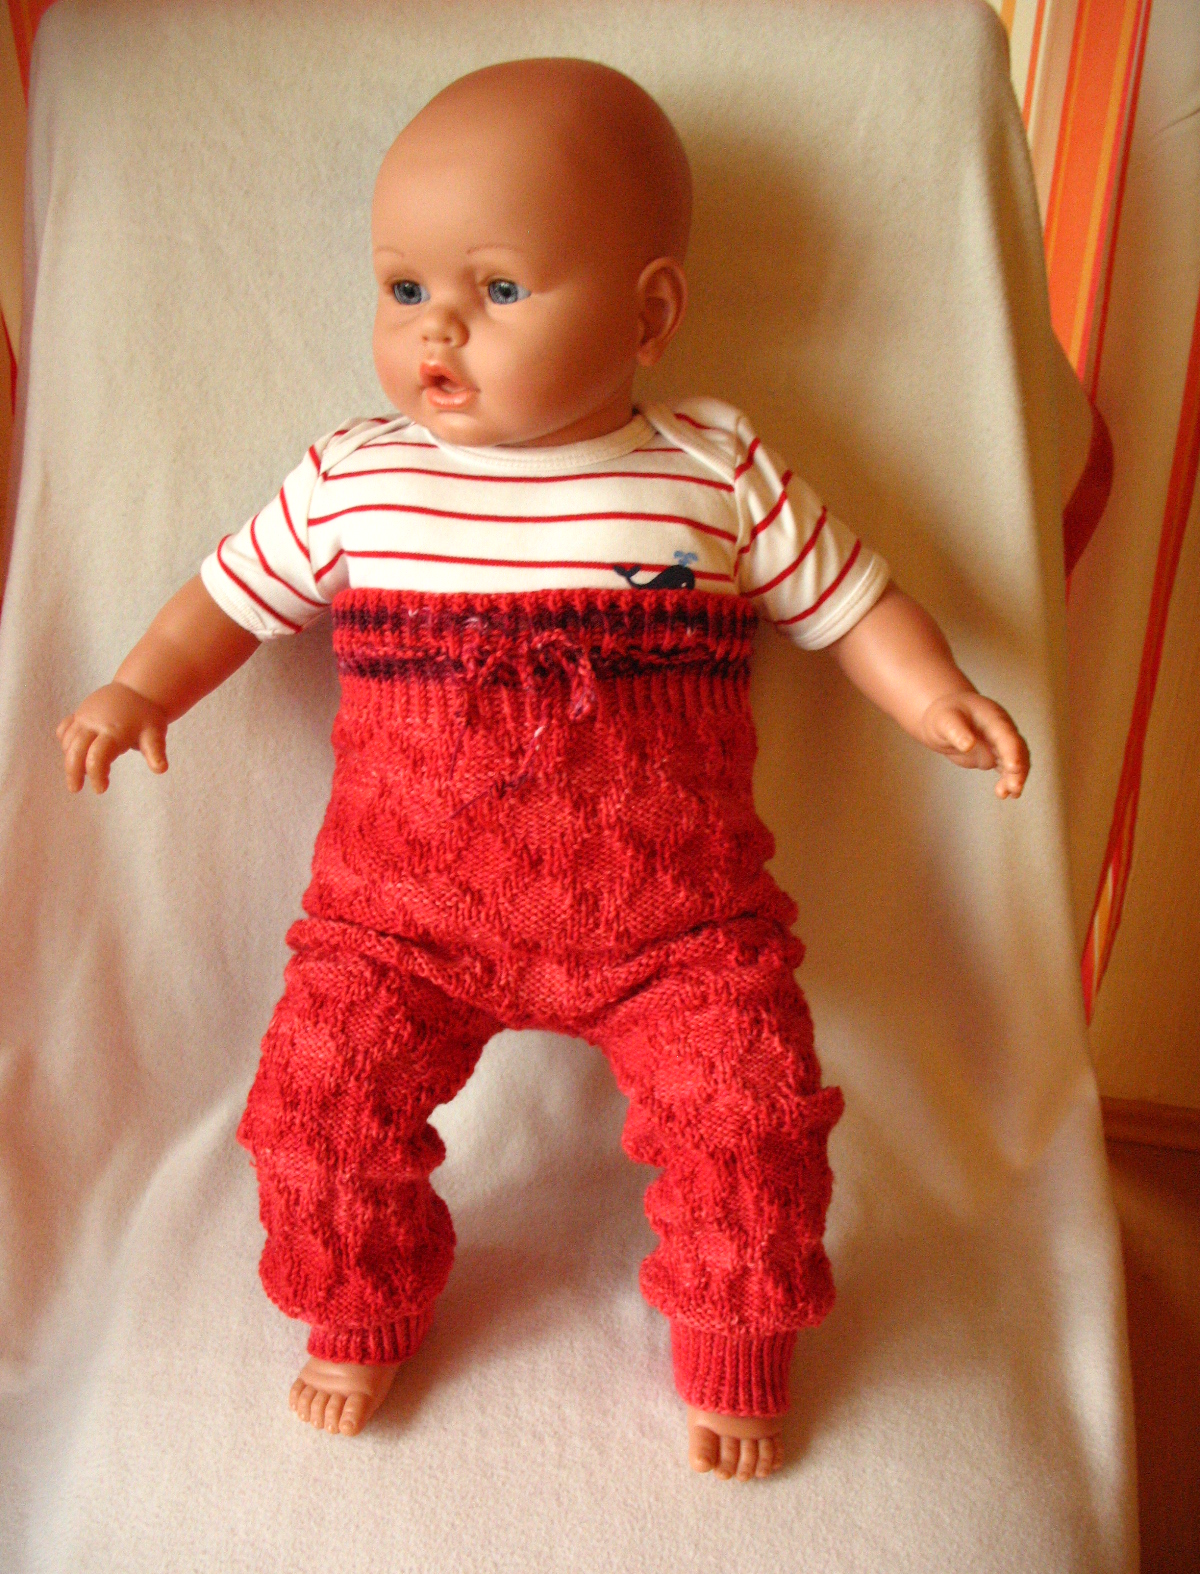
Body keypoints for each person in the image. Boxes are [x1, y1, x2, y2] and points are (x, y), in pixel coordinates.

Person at [55, 58, 1029, 1483]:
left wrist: (934, 691)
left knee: (753, 1115)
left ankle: (736, 1337)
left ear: (650, 314)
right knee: (314, 1109)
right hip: (398, 926)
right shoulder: (357, 477)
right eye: (403, 288)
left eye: (499, 288)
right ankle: (358, 1303)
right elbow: (225, 598)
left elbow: (854, 603)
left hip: (677, 926)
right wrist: (143, 684)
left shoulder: (713, 470)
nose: (437, 326)